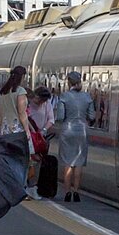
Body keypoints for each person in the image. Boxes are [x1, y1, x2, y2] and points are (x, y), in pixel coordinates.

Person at [55, 71, 95, 203]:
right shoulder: (87, 97)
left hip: (68, 130)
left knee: (68, 163)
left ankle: (67, 192)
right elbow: (92, 116)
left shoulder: (64, 96)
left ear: (68, 82)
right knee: (79, 163)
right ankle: (76, 191)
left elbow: (60, 117)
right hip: (82, 131)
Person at [25, 86, 55, 198]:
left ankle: (33, 187)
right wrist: (32, 131)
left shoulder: (47, 104)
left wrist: (44, 130)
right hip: (29, 136)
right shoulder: (27, 102)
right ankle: (26, 186)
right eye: (40, 100)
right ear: (35, 95)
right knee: (28, 161)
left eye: (43, 101)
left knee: (37, 162)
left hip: (40, 138)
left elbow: (51, 119)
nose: (40, 103)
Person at [0, 66, 31, 141]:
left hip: (4, 127)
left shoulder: (3, 91)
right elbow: (22, 113)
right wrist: (27, 130)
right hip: (16, 127)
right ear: (22, 77)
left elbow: (0, 111)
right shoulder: (20, 91)